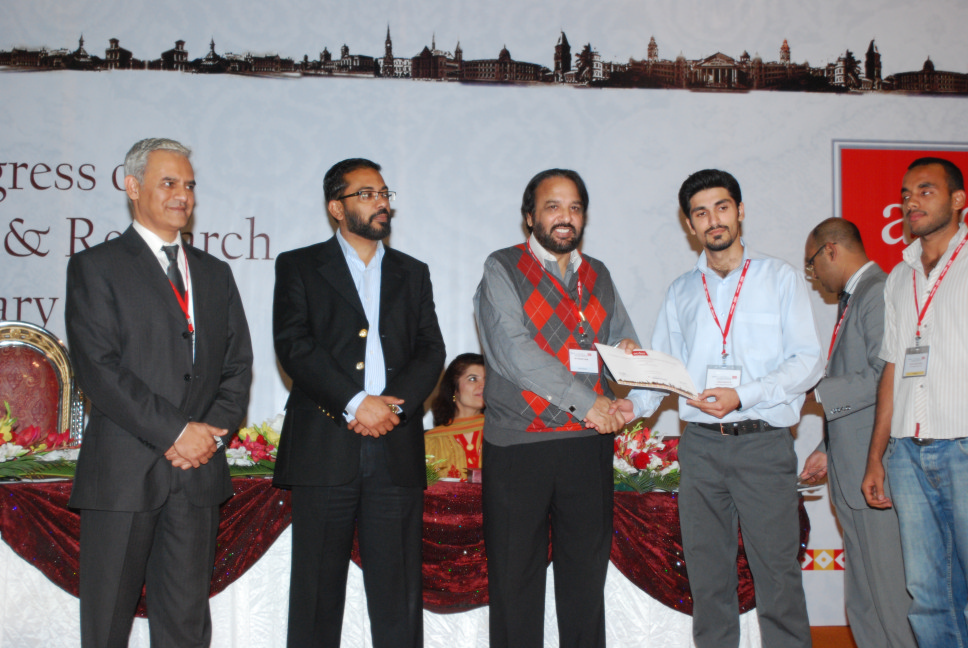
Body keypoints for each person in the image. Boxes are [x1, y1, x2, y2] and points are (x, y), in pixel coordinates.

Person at [65, 138, 253, 648]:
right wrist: (176, 432)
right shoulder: (96, 266)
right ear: (133, 187)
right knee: (107, 625)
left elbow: (237, 366)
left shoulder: (215, 273)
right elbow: (99, 370)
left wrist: (208, 438)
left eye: (189, 185)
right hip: (123, 475)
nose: (182, 195)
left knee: (185, 628)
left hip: (196, 475)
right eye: (168, 183)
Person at [624, 169, 823, 648]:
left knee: (777, 575)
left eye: (722, 207)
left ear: (740, 211)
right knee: (708, 577)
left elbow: (808, 361)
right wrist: (629, 405)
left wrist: (744, 394)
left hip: (762, 444)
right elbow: (664, 370)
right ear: (689, 224)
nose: (713, 220)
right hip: (700, 449)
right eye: (700, 212)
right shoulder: (681, 292)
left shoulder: (778, 277)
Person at [272, 158, 445, 648]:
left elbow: (431, 350)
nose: (381, 202)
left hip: (395, 447)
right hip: (324, 445)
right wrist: (355, 402)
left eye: (384, 193)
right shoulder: (300, 265)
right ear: (336, 207)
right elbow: (294, 345)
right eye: (366, 194)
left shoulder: (413, 272)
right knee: (316, 597)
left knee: (398, 596)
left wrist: (393, 409)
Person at [474, 168, 638, 648]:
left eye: (574, 207)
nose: (565, 217)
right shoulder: (502, 266)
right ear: (530, 217)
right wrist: (589, 402)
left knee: (585, 585)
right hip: (519, 447)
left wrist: (628, 357)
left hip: (587, 445)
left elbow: (620, 340)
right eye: (552, 206)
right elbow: (513, 352)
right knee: (515, 585)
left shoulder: (598, 273)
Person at [861, 157, 968, 648]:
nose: (911, 202)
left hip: (963, 443)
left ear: (958, 200)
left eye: (925, 191)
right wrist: (877, 457)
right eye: (905, 194)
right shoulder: (899, 277)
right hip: (906, 452)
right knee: (927, 594)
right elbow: (892, 368)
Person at [798, 218, 915, 648]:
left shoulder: (878, 292)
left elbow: (886, 376)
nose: (813, 276)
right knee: (864, 600)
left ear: (830, 250)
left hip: (874, 471)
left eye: (812, 264)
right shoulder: (855, 298)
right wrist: (827, 447)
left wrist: (815, 390)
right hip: (850, 471)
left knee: (890, 598)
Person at [425, 352, 486, 481]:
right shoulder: (430, 441)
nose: (483, 385)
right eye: (473, 379)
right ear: (454, 389)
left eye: (487, 379)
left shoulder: (500, 433)